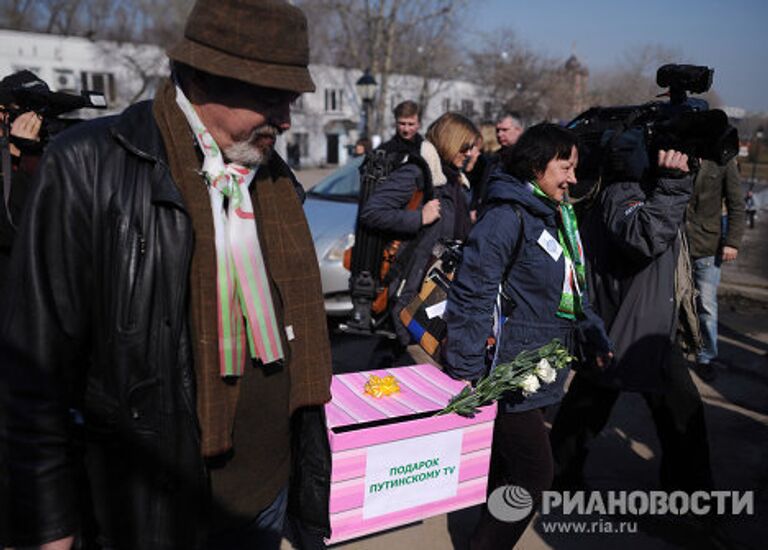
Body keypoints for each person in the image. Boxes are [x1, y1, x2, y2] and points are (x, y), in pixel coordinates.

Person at [0, 1, 333, 549]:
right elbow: (34, 370)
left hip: (266, 496)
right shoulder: (87, 166)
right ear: (202, 78)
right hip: (155, 508)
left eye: (290, 99)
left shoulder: (272, 178)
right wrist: (49, 527)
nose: (287, 119)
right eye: (271, 97)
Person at [443, 123, 612, 549]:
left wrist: (592, 336)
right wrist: (464, 372)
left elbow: (571, 287)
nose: (573, 178)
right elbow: (472, 293)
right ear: (536, 165)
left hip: (538, 365)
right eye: (565, 167)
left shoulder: (553, 214)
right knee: (534, 475)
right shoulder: (507, 215)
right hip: (507, 373)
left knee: (506, 473)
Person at [550, 145, 714, 497]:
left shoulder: (635, 187)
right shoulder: (624, 190)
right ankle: (690, 497)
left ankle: (558, 472)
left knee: (592, 401)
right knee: (678, 411)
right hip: (632, 322)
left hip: (634, 320)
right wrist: (672, 184)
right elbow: (644, 236)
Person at [360, 112, 480, 347]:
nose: (468, 153)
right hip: (412, 291)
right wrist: (419, 217)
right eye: (465, 146)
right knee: (413, 357)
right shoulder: (418, 174)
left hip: (439, 290)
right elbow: (372, 212)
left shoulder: (454, 181)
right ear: (450, 141)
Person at [685, 158, 745, 381]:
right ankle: (671, 352)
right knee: (671, 303)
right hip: (675, 243)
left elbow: (737, 204)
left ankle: (705, 357)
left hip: (707, 247)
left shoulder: (723, 160)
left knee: (706, 307)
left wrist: (733, 242)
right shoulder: (679, 152)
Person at [377, 99, 424, 165]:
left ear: (419, 124)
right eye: (402, 124)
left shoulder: (427, 150)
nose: (406, 129)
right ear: (395, 123)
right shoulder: (384, 151)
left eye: (411, 124)